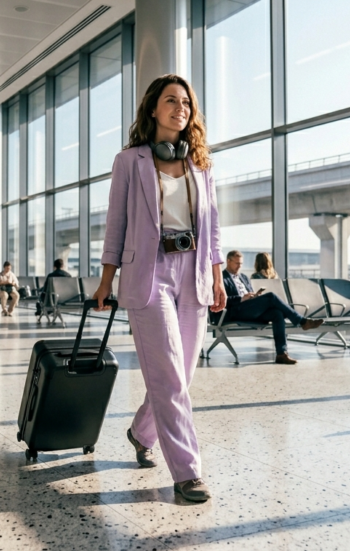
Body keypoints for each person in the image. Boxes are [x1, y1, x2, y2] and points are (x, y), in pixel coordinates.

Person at [91, 74, 225, 503]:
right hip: (149, 274)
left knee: (180, 374)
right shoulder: (130, 161)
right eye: (171, 100)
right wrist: (107, 279)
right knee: (168, 374)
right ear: (153, 109)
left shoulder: (201, 165)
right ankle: (188, 472)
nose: (180, 108)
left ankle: (141, 431)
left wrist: (218, 276)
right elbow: (117, 223)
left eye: (186, 102)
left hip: (194, 274)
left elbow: (214, 228)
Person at [221, 250, 323, 364]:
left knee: (277, 314)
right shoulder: (221, 278)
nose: (239, 266)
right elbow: (221, 300)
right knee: (271, 297)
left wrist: (254, 296)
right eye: (237, 263)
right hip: (236, 311)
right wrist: (241, 298)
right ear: (228, 261)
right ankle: (302, 321)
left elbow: (250, 293)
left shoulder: (244, 277)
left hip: (250, 308)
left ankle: (281, 354)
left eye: (241, 264)